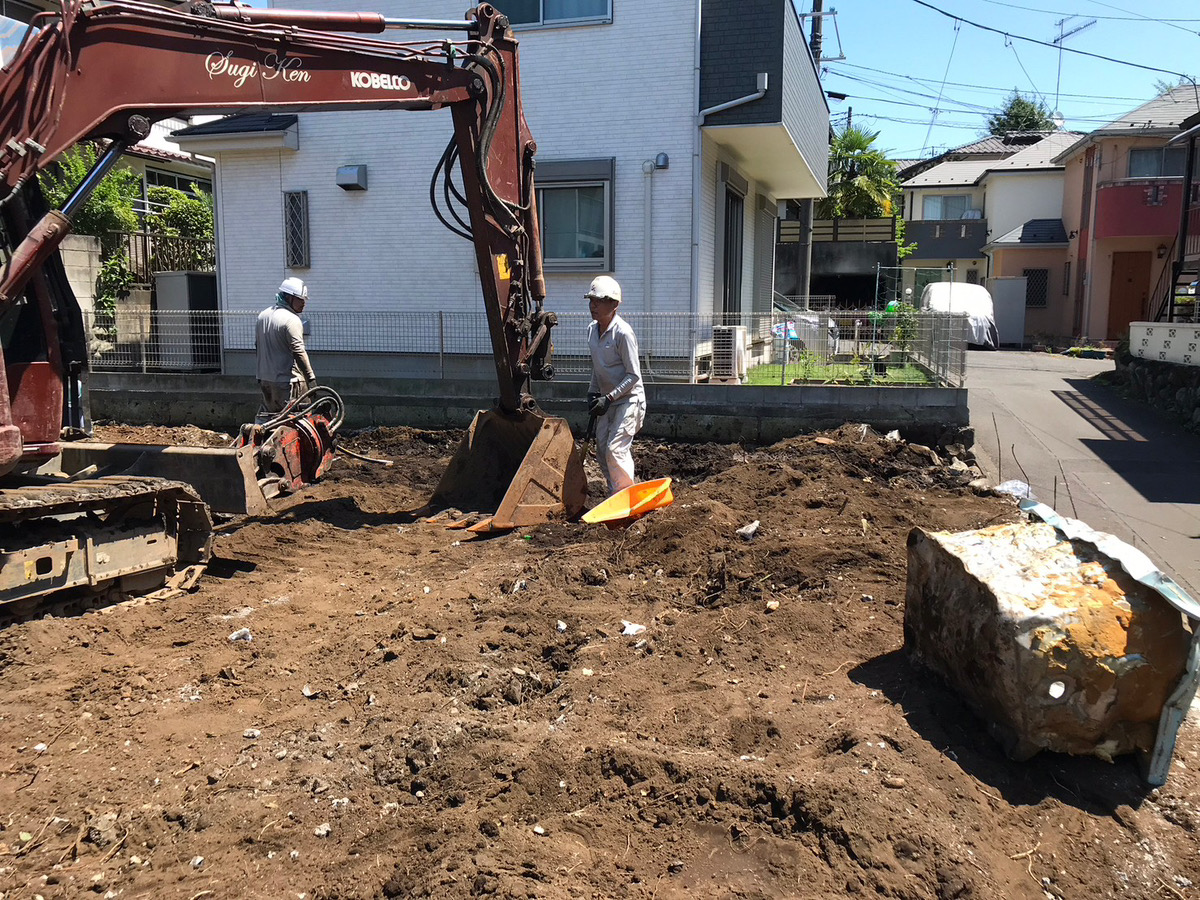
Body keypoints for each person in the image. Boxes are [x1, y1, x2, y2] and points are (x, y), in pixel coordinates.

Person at [585, 275, 645, 496]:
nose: (593, 305)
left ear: (615, 304)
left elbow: (633, 376)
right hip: (606, 401)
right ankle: (615, 495)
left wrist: (609, 397)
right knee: (601, 450)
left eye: (599, 301)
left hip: (629, 400)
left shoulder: (623, 333)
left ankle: (626, 499)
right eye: (591, 301)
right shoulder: (592, 330)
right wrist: (592, 392)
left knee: (615, 450)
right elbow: (597, 367)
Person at [255, 276, 316, 421]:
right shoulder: (291, 319)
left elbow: (257, 346)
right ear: (289, 297)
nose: (304, 303)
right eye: (301, 299)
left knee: (269, 421)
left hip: (265, 381)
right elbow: (298, 351)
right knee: (300, 421)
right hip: (288, 383)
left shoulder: (262, 316)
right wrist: (311, 379)